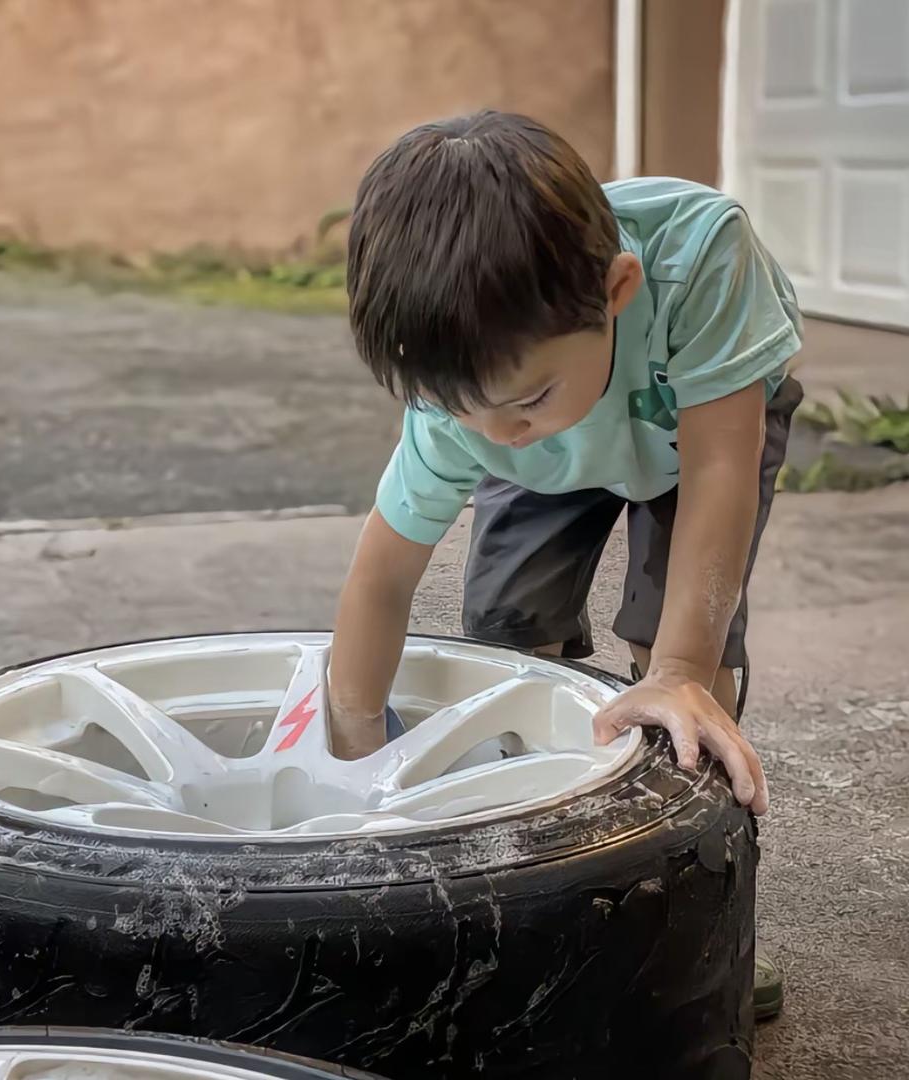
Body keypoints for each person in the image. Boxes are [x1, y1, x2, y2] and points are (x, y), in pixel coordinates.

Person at [327, 111, 802, 1020]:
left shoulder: (700, 255)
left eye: (523, 396)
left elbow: (714, 470)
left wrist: (679, 672)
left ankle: (704, 914)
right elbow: (379, 576)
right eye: (459, 408)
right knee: (506, 630)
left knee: (684, 659)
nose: (493, 427)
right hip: (555, 453)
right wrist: (351, 760)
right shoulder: (476, 412)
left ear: (617, 290)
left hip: (699, 426)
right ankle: (543, 873)